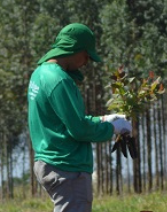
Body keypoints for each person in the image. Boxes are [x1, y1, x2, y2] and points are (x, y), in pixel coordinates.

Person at [27, 23, 131, 212]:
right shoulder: (59, 80)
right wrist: (112, 128)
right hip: (67, 165)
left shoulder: (40, 74)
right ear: (74, 49)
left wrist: (103, 119)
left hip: (50, 160)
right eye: (86, 55)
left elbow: (67, 120)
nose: (86, 62)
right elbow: (79, 129)